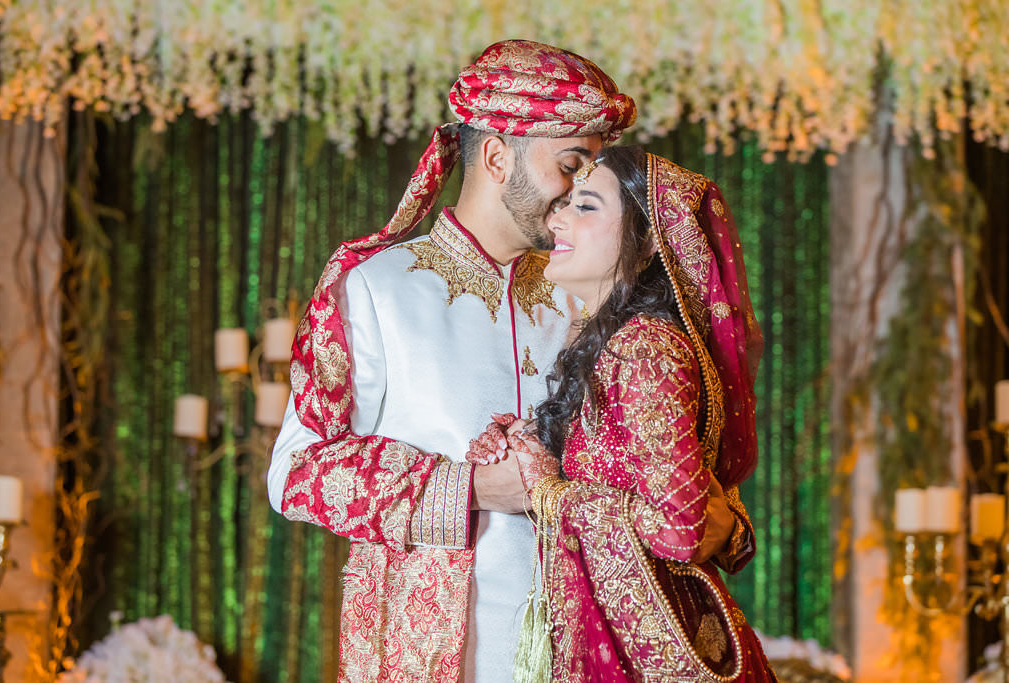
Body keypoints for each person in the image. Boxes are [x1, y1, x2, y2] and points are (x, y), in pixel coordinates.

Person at [267, 40, 746, 682]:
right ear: (497, 156)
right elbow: (296, 473)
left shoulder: (594, 288)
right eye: (572, 164)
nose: (585, 190)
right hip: (437, 655)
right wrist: (466, 489)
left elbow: (675, 466)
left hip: (600, 651)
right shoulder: (378, 286)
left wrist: (723, 523)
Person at [472, 146, 774, 681]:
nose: (556, 217)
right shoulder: (613, 343)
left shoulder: (645, 349)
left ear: (650, 238)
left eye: (584, 207)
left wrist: (549, 491)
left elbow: (680, 529)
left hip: (659, 646)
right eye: (564, 202)